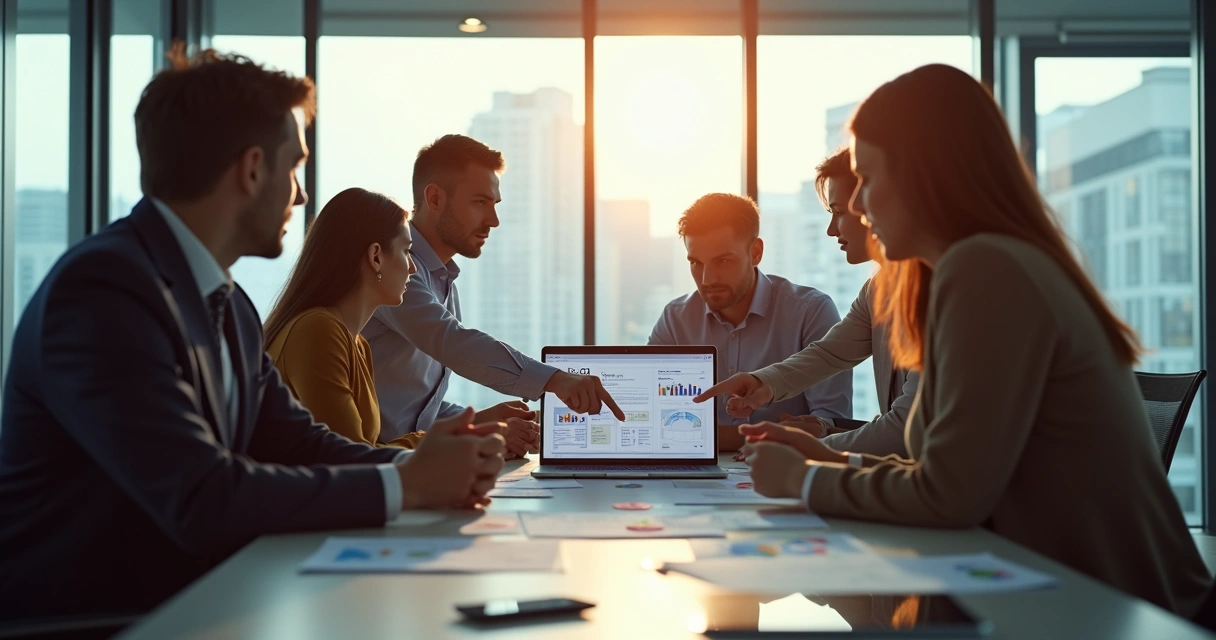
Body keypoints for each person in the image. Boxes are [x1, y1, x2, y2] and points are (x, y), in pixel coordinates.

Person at [0, 49, 505, 622]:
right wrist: (405, 486)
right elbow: (200, 495)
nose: (300, 195)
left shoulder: (228, 305)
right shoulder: (101, 293)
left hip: (201, 604)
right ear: (252, 169)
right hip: (100, 623)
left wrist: (417, 470)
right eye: (294, 167)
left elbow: (299, 443)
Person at [719, 64, 1210, 617]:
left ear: (924, 174)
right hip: (1071, 596)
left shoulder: (986, 269)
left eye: (870, 180)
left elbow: (948, 496)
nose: (857, 208)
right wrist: (831, 465)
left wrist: (807, 480)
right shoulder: (978, 267)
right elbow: (936, 466)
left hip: (1121, 611)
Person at [365, 134, 625, 442]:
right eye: (480, 202)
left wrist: (480, 423)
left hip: (405, 464)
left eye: (494, 204)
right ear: (435, 199)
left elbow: (409, 412)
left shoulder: (442, 279)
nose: (494, 220)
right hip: (372, 471)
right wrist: (556, 380)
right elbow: (453, 342)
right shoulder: (394, 270)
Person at [696, 150, 919, 457]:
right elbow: (829, 354)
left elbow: (904, 430)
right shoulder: (878, 288)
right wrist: (764, 382)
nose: (831, 229)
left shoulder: (935, 288)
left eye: (840, 212)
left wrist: (803, 448)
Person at [649, 193, 851, 451]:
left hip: (785, 473)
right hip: (703, 474)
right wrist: (766, 436)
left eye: (723, 261)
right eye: (696, 263)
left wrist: (710, 438)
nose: (708, 279)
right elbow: (651, 421)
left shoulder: (810, 311)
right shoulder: (676, 318)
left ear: (755, 253)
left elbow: (829, 425)